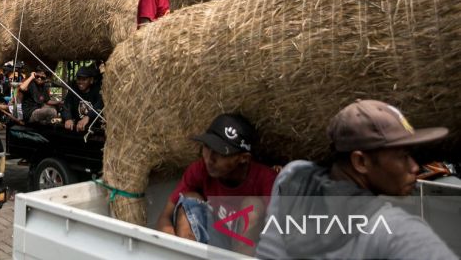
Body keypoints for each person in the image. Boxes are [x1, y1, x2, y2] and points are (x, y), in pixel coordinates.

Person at [256, 99, 456, 260]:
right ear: (360, 161)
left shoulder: (292, 178)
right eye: (402, 155)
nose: (414, 166)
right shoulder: (396, 231)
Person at [156, 113, 277, 256]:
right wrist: (172, 242)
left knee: (253, 206)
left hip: (248, 251)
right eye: (207, 147)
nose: (209, 158)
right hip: (214, 245)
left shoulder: (266, 179)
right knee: (189, 200)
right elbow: (165, 217)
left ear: (243, 158)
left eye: (221, 152)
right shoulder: (199, 170)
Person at [62, 65, 103, 132]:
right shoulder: (73, 90)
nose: (80, 82)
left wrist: (88, 117)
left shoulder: (97, 91)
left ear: (91, 80)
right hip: (77, 128)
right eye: (78, 79)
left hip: (94, 129)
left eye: (84, 79)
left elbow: (100, 105)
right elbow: (66, 105)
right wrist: (68, 118)